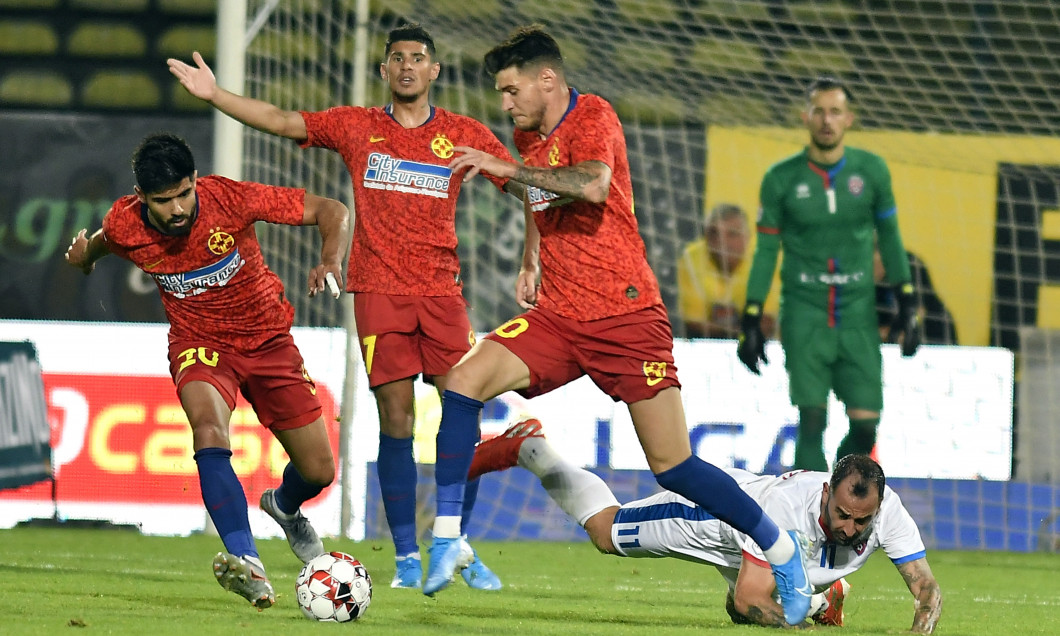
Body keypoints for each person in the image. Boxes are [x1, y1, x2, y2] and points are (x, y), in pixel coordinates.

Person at [421, 24, 813, 624]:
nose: (504, 104)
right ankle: (447, 538)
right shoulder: (529, 137)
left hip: (627, 318)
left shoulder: (593, 115)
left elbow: (593, 184)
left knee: (675, 467)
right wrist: (531, 258)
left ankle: (782, 552)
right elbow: (538, 199)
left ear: (546, 79)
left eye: (510, 90)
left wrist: (504, 165)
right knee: (461, 383)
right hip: (558, 316)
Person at [168, 23, 524, 590]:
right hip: (380, 293)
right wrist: (216, 96)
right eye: (397, 58)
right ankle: (408, 560)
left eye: (419, 58)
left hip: (443, 295)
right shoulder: (358, 126)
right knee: (398, 420)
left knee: (464, 405)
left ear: (434, 71)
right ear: (384, 71)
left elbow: (525, 187)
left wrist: (533, 259)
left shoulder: (463, 134)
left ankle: (452, 538)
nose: (407, 66)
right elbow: (285, 121)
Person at [64, 132, 350, 610]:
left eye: (183, 193)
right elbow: (105, 242)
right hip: (200, 343)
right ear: (141, 199)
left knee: (319, 470)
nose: (177, 209)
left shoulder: (231, 200)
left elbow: (333, 211)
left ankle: (283, 505)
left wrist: (329, 260)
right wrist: (84, 258)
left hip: (268, 341)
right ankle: (249, 562)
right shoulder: (125, 222)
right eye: (163, 201)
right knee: (209, 429)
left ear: (195, 181)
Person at [469, 432, 943, 632]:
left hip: (761, 550)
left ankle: (821, 593)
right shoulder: (784, 511)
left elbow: (925, 590)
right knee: (605, 532)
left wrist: (920, 630)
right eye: (843, 514)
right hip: (711, 519)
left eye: (863, 520)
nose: (852, 528)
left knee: (764, 593)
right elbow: (747, 603)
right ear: (825, 494)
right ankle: (534, 449)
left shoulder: (887, 511)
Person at [738, 76, 921, 472]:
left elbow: (890, 238)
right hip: (805, 311)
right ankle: (814, 524)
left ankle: (837, 491)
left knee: (866, 425)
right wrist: (750, 315)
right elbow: (766, 250)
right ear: (805, 117)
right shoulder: (781, 179)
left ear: (849, 119)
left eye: (835, 112)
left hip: (858, 312)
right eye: (819, 111)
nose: (827, 120)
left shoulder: (871, 171)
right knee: (812, 421)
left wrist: (908, 300)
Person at [676, 202, 778, 339]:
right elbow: (694, 324)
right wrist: (741, 331)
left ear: (747, 237)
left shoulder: (763, 259)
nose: (721, 241)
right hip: (705, 344)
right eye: (714, 233)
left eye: (732, 234)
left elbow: (766, 323)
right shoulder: (690, 259)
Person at [875, 249, 958, 344]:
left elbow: (920, 309)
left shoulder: (908, 264)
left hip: (933, 334)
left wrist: (901, 330)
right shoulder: (874, 286)